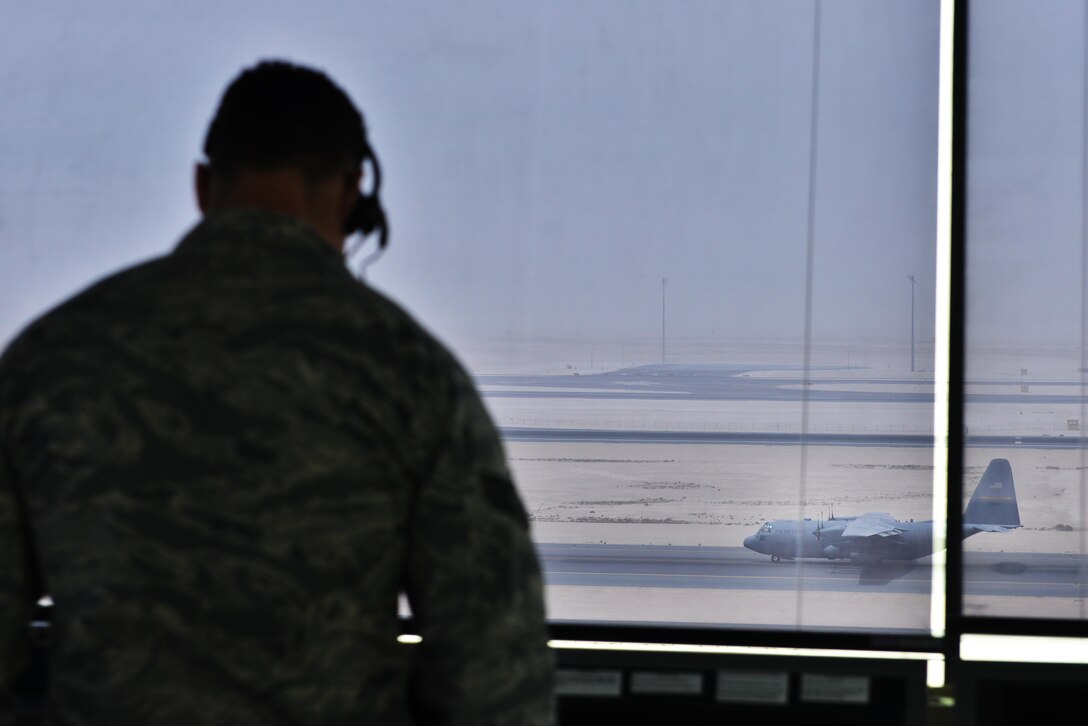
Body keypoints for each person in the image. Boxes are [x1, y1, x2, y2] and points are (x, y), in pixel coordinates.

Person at [0, 60, 554, 725]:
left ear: (203, 186)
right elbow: (495, 670)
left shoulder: (51, 360)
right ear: (353, 192)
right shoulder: (409, 375)